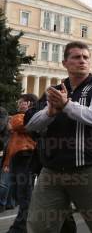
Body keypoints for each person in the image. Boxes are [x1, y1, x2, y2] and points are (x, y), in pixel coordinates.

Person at [26, 41, 92, 233]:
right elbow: (30, 124)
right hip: (52, 171)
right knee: (39, 226)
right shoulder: (53, 90)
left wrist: (66, 105)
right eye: (76, 57)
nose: (82, 61)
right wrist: (50, 113)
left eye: (86, 57)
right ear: (65, 63)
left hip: (89, 170)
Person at [2, 94, 37, 233]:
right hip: (17, 158)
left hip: (26, 157)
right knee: (19, 194)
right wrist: (7, 162)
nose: (18, 104)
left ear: (28, 103)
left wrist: (13, 119)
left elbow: (16, 124)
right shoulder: (23, 117)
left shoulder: (30, 117)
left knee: (24, 195)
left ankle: (20, 227)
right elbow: (11, 144)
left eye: (21, 102)